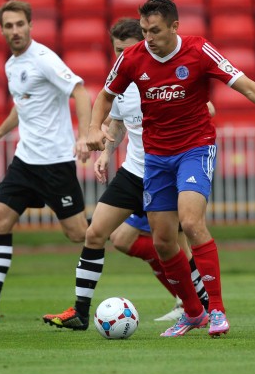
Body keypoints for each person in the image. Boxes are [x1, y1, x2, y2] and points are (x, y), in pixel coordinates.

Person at [87, 0, 255, 338]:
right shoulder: (132, 58)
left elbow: (245, 84)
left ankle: (216, 310)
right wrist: (92, 131)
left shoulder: (200, 51)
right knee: (162, 242)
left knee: (190, 222)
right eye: (144, 31)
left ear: (175, 27)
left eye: (155, 30)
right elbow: (104, 96)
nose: (149, 37)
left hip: (194, 148)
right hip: (155, 158)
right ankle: (192, 313)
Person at [42, 18, 209, 330]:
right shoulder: (120, 80)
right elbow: (117, 122)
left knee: (172, 245)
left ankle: (203, 305)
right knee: (96, 233)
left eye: (126, 49)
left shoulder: (163, 77)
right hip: (134, 171)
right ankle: (80, 312)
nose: (122, 56)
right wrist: (106, 153)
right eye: (116, 50)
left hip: (167, 171)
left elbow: (204, 106)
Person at [0, 0, 92, 322]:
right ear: (1, 30)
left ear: (30, 25)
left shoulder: (43, 59)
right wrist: (0, 132)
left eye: (20, 24)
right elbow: (22, 104)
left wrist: (83, 136)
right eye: (9, 26)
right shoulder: (11, 65)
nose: (15, 31)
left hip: (55, 162)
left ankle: (121, 225)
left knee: (78, 233)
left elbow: (80, 91)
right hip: (25, 162)